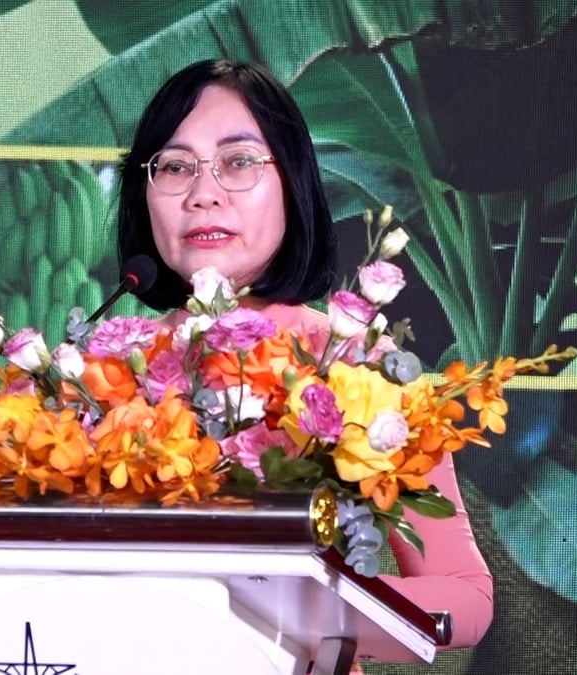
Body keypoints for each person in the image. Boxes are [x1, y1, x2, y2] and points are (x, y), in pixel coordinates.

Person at [115, 59, 494, 665]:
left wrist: (296, 613)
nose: (203, 193)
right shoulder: (101, 372)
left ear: (292, 182)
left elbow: (466, 597)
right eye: (175, 166)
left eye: (239, 162)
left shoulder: (356, 364)